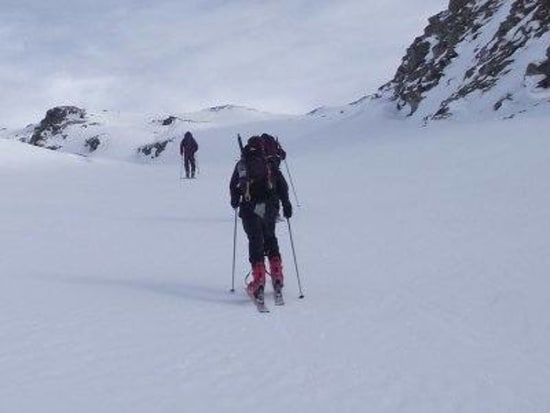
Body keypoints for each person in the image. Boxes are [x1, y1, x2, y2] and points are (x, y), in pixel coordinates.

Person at [229, 136, 293, 301]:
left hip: (250, 208)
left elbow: (233, 186)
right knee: (270, 237)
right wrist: (286, 204)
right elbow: (281, 184)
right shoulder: (269, 164)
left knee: (255, 240)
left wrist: (235, 200)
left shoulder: (242, 165)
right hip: (270, 207)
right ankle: (277, 274)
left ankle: (258, 280)